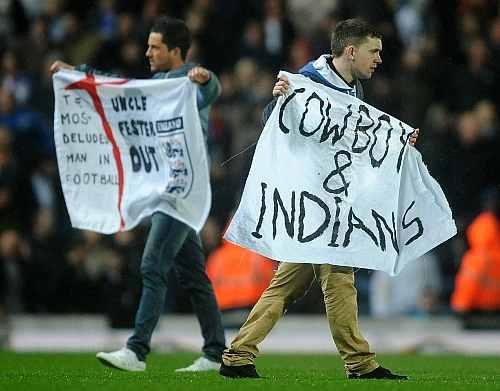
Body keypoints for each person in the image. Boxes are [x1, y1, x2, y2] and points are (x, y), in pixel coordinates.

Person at [220, 18, 417, 380]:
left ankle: (237, 355)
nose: (379, 59)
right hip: (314, 204)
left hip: (333, 200)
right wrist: (277, 100)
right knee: (340, 277)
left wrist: (394, 142)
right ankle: (360, 363)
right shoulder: (308, 81)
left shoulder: (354, 89)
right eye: (374, 52)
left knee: (288, 284)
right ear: (352, 50)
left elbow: (354, 139)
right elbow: (273, 122)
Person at [50, 16, 226, 372]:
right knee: (194, 276)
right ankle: (215, 352)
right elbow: (119, 90)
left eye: (155, 47)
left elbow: (211, 90)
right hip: (162, 189)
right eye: (147, 45)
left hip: (180, 191)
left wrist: (206, 79)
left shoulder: (188, 81)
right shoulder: (158, 83)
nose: (147, 52)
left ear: (175, 52)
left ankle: (137, 350)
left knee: (152, 265)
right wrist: (78, 73)